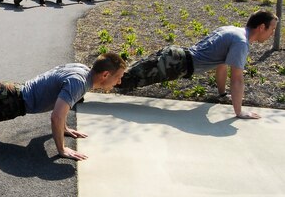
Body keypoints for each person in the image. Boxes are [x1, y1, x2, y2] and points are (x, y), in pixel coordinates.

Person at [118, 10, 278, 119]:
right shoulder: (241, 43)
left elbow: (221, 66)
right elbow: (237, 79)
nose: (272, 34)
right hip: (176, 64)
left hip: (175, 57)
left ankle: (96, 76)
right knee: (121, 80)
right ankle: (94, 79)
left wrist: (222, 94)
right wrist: (240, 112)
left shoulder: (231, 31)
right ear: (262, 27)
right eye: (272, 29)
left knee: (122, 76)